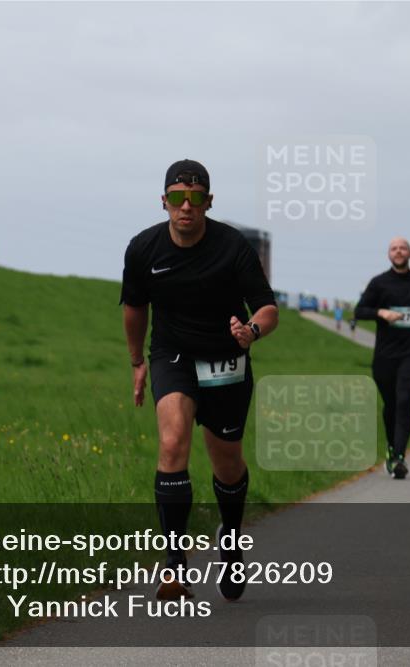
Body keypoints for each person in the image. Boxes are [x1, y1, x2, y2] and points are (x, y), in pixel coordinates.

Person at [120, 159, 279, 601]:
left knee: (226, 463)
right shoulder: (143, 249)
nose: (185, 206)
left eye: (194, 198)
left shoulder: (233, 247)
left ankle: (230, 546)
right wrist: (137, 362)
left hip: (228, 358)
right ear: (164, 202)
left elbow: (267, 307)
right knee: (172, 443)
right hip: (173, 355)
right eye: (176, 197)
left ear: (208, 202)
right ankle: (174, 566)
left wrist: (253, 332)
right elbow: (134, 308)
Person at [354, 237, 410, 479]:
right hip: (385, 355)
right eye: (394, 248)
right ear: (389, 254)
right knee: (391, 406)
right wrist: (381, 312)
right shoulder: (379, 283)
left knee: (403, 400)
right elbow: (359, 311)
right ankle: (392, 449)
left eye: (403, 248)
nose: (398, 252)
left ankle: (399, 456)